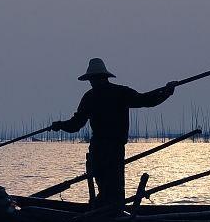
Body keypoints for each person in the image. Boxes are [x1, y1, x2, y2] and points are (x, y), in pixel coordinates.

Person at [50, 58, 177, 207]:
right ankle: (108, 213)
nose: (92, 82)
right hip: (106, 149)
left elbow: (75, 125)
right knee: (111, 189)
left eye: (92, 79)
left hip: (106, 149)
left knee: (109, 189)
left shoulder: (94, 96)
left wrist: (166, 92)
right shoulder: (115, 93)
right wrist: (166, 92)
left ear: (96, 78)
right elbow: (145, 100)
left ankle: (108, 215)